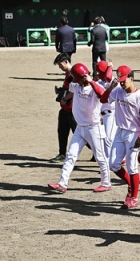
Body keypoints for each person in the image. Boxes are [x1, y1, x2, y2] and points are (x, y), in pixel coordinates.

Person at [48, 63, 112, 193]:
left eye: (78, 79)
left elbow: (103, 95)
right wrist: (64, 97)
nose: (76, 81)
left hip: (94, 128)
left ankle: (106, 183)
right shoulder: (76, 86)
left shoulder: (96, 88)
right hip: (80, 128)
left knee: (100, 157)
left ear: (84, 77)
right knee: (70, 155)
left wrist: (91, 82)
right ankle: (62, 184)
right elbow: (69, 87)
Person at [100, 65, 140, 209]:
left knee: (132, 167)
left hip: (133, 133)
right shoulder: (117, 91)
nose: (121, 82)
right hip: (120, 132)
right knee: (113, 164)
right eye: (120, 79)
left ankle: (134, 197)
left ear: (131, 78)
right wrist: (110, 87)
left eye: (123, 80)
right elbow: (103, 100)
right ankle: (130, 185)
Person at [50, 53, 76, 163]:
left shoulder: (73, 74)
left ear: (66, 62)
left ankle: (97, 152)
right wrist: (60, 91)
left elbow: (73, 90)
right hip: (65, 109)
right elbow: (68, 89)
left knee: (81, 134)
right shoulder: (68, 74)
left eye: (60, 64)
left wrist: (64, 99)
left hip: (72, 110)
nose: (60, 67)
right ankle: (62, 154)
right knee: (62, 132)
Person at [95, 60, 117, 158]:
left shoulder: (114, 82)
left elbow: (108, 77)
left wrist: (110, 67)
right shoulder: (99, 82)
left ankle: (109, 163)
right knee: (104, 139)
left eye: (100, 72)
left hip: (112, 114)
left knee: (108, 139)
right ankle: (119, 158)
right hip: (102, 115)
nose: (98, 74)